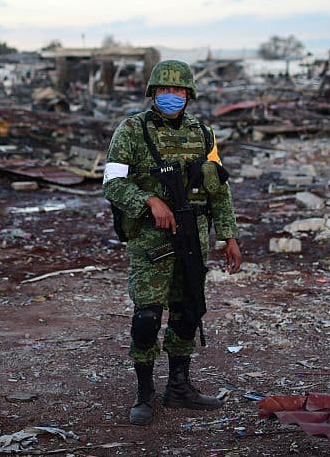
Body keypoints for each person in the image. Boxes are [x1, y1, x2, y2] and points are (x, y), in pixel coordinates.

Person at [103, 59, 242, 426]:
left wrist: (229, 236)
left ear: (189, 95)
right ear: (153, 93)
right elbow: (112, 182)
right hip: (152, 236)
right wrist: (148, 201)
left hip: (193, 234)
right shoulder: (132, 130)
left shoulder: (203, 134)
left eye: (178, 90)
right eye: (164, 90)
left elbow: (218, 188)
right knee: (147, 317)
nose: (171, 96)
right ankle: (144, 391)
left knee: (188, 310)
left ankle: (179, 386)